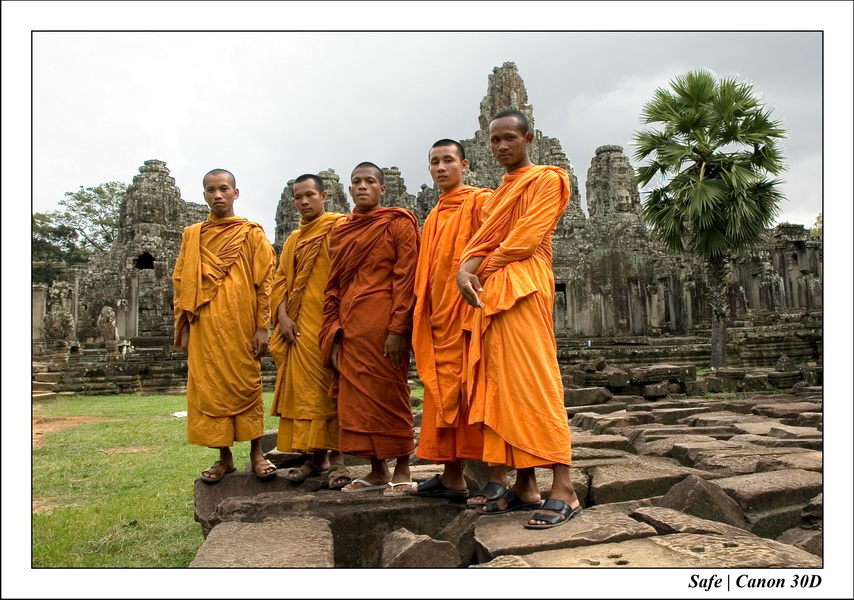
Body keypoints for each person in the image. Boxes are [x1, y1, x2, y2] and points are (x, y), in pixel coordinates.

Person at [456, 110, 583, 528]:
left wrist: (476, 269)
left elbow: (524, 240)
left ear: (529, 137)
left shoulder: (548, 179)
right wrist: (464, 269)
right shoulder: (498, 194)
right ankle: (524, 484)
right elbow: (483, 240)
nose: (501, 146)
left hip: (524, 286)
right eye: (494, 140)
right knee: (502, 386)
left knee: (535, 380)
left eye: (510, 137)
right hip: (493, 294)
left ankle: (563, 486)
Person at [319, 162, 420, 496]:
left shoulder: (398, 223)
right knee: (357, 403)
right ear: (348, 190)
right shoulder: (342, 231)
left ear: (382, 189)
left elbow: (406, 278)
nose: (363, 187)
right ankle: (378, 471)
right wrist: (332, 330)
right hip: (350, 329)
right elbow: (332, 285)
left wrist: (398, 329)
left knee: (392, 395)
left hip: (385, 327)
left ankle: (403, 468)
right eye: (357, 182)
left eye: (370, 181)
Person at [173, 168, 277, 484]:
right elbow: (181, 282)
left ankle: (257, 453)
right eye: (210, 190)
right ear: (204, 194)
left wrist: (262, 327)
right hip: (204, 328)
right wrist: (185, 327)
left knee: (248, 385)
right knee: (209, 390)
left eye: (223, 189)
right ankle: (224, 458)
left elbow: (265, 282)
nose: (217, 195)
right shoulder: (193, 236)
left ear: (235, 193)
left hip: (242, 326)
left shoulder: (251, 234)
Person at [407, 139, 494, 502]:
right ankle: (451, 474)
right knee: (441, 395)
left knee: (473, 392)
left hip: (468, 312)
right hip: (438, 317)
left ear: (465, 164)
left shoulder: (480, 201)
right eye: (434, 162)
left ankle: (494, 476)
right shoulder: (434, 214)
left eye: (448, 160)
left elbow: (493, 247)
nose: (441, 167)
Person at [268, 174, 352, 490]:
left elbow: (350, 274)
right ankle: (316, 458)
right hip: (298, 327)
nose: (304, 202)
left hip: (330, 325)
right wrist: (283, 316)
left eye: (310, 195)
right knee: (308, 396)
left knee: (333, 391)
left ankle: (339, 459)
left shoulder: (339, 228)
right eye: (299, 197)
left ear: (324, 196)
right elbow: (280, 282)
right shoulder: (292, 240)